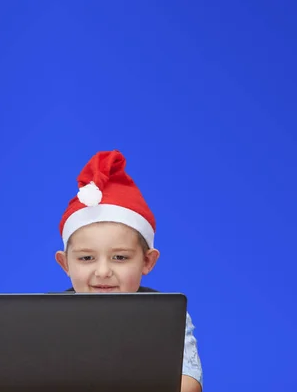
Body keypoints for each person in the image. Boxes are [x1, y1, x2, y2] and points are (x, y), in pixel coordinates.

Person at [54, 150, 203, 392]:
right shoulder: (46, 317)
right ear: (65, 264)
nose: (103, 271)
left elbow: (188, 385)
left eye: (120, 257)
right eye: (87, 257)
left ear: (147, 261)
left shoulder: (165, 316)